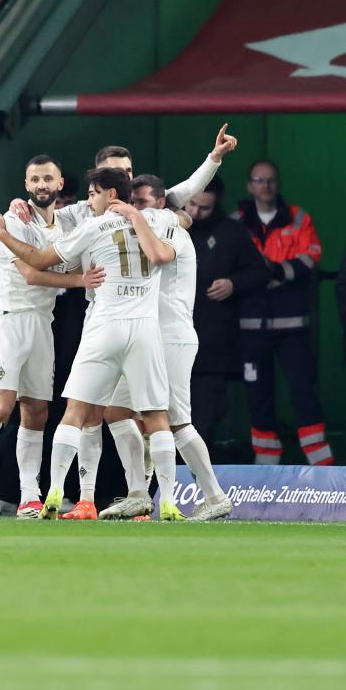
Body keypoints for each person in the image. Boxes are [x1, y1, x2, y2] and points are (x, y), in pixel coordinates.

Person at [0, 167, 185, 521]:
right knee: (156, 416)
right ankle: (168, 500)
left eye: (94, 193)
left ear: (110, 194)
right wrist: (212, 162)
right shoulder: (155, 220)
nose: (89, 200)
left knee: (76, 412)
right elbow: (181, 214)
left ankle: (54, 490)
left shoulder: (94, 226)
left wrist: (3, 235)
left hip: (104, 326)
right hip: (145, 330)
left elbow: (39, 260)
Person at [0, 155, 100, 518]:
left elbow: (102, 202)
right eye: (34, 179)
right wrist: (79, 280)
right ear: (26, 184)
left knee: (36, 410)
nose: (41, 185)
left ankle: (29, 496)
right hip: (9, 317)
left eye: (47, 179)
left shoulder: (67, 220)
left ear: (60, 184)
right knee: (2, 408)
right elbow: (33, 272)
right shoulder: (13, 220)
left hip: (42, 320)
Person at [128, 175, 233, 520]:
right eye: (133, 202)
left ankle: (214, 496)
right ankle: (140, 495)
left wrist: (214, 160)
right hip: (157, 335)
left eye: (142, 202)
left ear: (160, 204)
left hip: (172, 335)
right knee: (144, 417)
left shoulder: (172, 232)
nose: (136, 209)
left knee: (176, 422)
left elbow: (159, 251)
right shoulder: (154, 228)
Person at [234, 160, 333, 466]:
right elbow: (231, 264)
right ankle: (265, 465)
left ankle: (322, 463)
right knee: (258, 396)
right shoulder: (236, 223)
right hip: (251, 326)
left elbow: (311, 256)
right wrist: (258, 275)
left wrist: (275, 271)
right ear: (249, 186)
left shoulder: (298, 218)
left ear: (278, 183)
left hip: (292, 326)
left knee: (304, 392)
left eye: (271, 180)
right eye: (259, 180)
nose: (266, 186)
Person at [183, 177, 269, 443]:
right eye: (191, 204)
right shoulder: (168, 227)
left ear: (217, 203)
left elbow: (260, 273)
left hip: (212, 345)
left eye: (204, 208)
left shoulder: (230, 231)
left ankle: (196, 469)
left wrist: (234, 283)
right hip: (169, 343)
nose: (195, 212)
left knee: (203, 420)